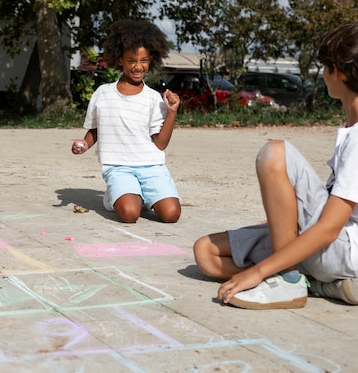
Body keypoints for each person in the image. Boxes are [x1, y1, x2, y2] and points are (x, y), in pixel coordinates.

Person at [193, 22, 358, 309]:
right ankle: (318, 285)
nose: (322, 73)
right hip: (327, 250)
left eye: (324, 66)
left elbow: (330, 228)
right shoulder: (350, 127)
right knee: (206, 252)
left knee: (275, 153)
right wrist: (286, 219)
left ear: (338, 72)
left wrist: (258, 272)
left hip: (341, 250)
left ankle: (287, 283)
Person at [71, 19, 181, 223]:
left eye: (144, 61)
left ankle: (143, 195)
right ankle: (119, 195)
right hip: (118, 167)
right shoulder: (102, 94)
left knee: (171, 214)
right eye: (132, 61)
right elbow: (95, 129)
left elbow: (161, 143)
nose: (138, 67)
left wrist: (172, 112)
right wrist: (85, 144)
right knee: (130, 215)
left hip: (151, 167)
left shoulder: (153, 99)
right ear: (120, 59)